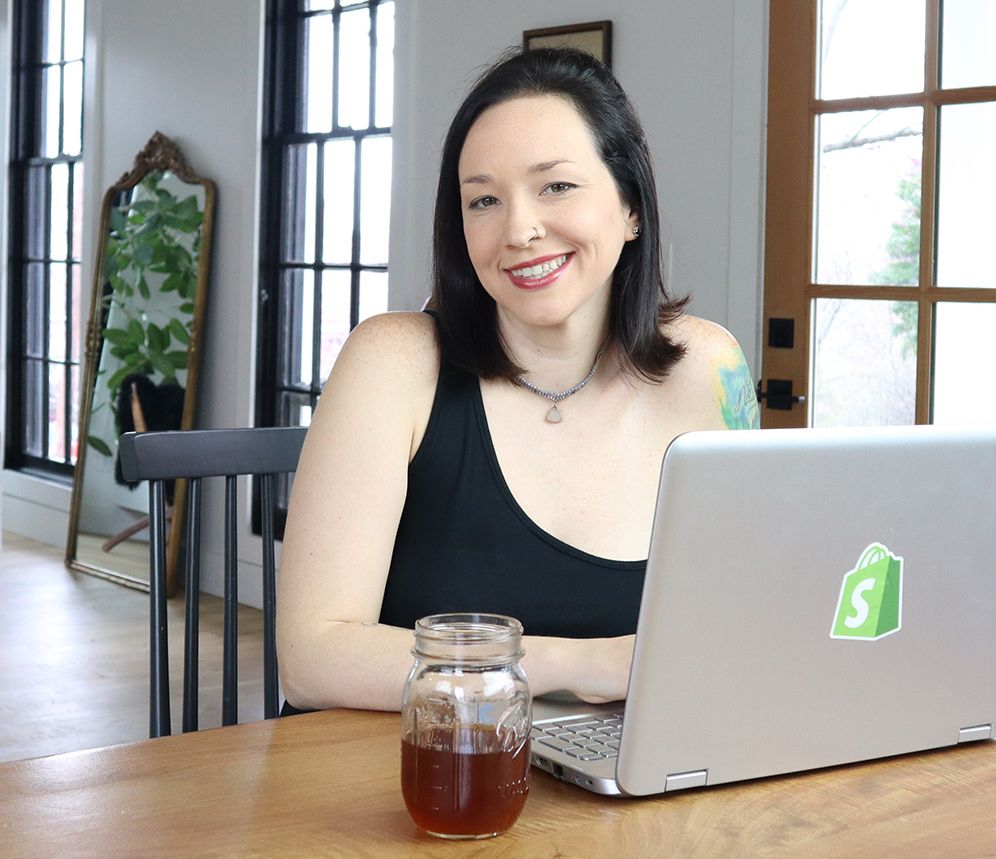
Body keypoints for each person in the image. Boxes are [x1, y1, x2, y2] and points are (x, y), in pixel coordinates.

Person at [277, 47, 759, 713]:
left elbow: (738, 619)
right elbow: (312, 658)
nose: (519, 230)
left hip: (618, 766)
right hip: (413, 763)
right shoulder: (393, 361)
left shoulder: (711, 368)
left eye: (556, 186)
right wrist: (581, 664)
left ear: (631, 207)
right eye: (484, 200)